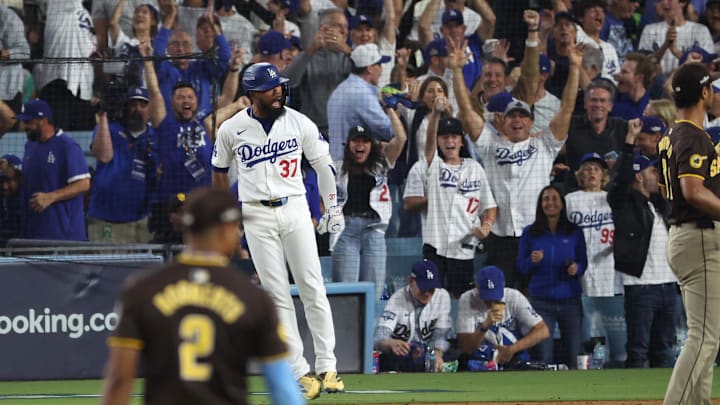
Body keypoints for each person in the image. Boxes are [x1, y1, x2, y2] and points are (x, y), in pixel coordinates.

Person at [211, 62, 345, 400]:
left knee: (312, 284)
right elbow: (218, 171)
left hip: (296, 207)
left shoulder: (299, 121)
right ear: (253, 93)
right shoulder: (232, 128)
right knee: (276, 294)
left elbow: (324, 165)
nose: (279, 91)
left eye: (279, 86)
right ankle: (299, 370)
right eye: (271, 88)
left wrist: (332, 207)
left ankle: (328, 365)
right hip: (256, 214)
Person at [101, 187, 304, 405]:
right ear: (224, 230)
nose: (238, 234)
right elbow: (283, 389)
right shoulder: (254, 298)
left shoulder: (142, 290)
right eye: (236, 227)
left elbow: (119, 380)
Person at [659, 62, 720, 404]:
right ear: (705, 93)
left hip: (684, 237)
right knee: (703, 338)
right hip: (697, 236)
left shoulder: (672, 132)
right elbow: (693, 191)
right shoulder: (693, 135)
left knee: (705, 338)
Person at [404, 109, 497, 298]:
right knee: (431, 297)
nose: (450, 141)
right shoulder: (434, 165)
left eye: (454, 137)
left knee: (463, 300)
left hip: (463, 248)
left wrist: (487, 226)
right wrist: (436, 115)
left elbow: (490, 206)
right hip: (435, 245)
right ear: (438, 141)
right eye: (444, 137)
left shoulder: (474, 168)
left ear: (461, 141)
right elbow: (428, 148)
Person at [609, 119, 678, 369]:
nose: (657, 176)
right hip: (641, 287)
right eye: (652, 172)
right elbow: (618, 182)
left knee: (664, 350)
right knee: (638, 350)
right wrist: (629, 141)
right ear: (638, 176)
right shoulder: (624, 204)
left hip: (668, 284)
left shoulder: (660, 205)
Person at [331, 122, 406, 300]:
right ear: (348, 145)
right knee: (346, 291)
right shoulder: (336, 167)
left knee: (374, 290)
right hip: (346, 230)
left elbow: (401, 138)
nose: (360, 145)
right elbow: (321, 196)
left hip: (374, 229)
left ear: (371, 145)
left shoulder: (381, 165)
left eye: (365, 141)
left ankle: (369, 327)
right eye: (355, 141)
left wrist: (389, 108)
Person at [517, 185, 588, 368]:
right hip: (541, 302)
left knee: (574, 353)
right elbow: (521, 267)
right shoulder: (530, 232)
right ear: (540, 204)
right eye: (546, 199)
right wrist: (533, 260)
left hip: (570, 300)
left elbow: (583, 262)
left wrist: (576, 268)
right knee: (543, 356)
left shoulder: (574, 231)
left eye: (555, 198)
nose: (550, 203)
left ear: (562, 204)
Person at [88, 88, 157, 243]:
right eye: (132, 105)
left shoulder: (155, 135)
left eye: (142, 105)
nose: (137, 109)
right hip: (106, 218)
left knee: (145, 267)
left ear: (150, 109)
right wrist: (103, 114)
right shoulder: (110, 128)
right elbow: (104, 156)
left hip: (143, 220)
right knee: (106, 267)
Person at [17, 99, 90, 241]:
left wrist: (50, 197)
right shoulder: (30, 146)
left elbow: (84, 184)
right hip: (33, 234)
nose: (24, 126)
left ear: (42, 121)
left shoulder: (67, 146)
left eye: (28, 122)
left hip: (63, 237)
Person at [456, 266, 550, 368]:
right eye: (487, 297)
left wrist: (512, 349)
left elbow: (543, 331)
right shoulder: (467, 299)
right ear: (477, 287)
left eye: (495, 297)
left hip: (513, 356)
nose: (491, 302)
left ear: (503, 285)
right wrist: (485, 325)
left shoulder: (514, 297)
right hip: (480, 360)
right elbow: (467, 347)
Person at [373, 259, 452, 372]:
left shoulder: (442, 297)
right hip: (402, 357)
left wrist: (437, 353)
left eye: (431, 289)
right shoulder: (397, 300)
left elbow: (440, 336)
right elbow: (379, 338)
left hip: (429, 356)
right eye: (424, 288)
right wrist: (391, 343)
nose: (427, 293)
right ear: (411, 281)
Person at [326, 43, 394, 160]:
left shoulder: (342, 88)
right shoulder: (361, 92)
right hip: (352, 166)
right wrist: (394, 109)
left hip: (335, 161)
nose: (381, 69)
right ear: (369, 68)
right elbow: (387, 131)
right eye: (379, 65)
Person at [565, 153, 620, 298]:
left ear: (603, 175)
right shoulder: (570, 199)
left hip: (606, 259)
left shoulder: (611, 199)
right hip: (577, 260)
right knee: (579, 301)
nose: (592, 172)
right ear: (581, 174)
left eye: (596, 169)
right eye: (588, 169)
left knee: (606, 302)